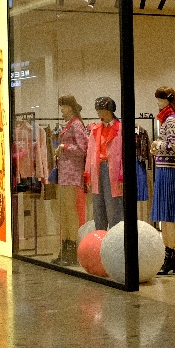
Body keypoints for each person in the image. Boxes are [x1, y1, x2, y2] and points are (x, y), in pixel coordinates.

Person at [150, 86, 175, 276]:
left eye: (160, 99)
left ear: (168, 100)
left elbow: (174, 145)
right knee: (166, 217)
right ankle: (170, 258)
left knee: (168, 216)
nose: (158, 103)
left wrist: (158, 144)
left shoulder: (171, 120)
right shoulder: (169, 119)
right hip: (166, 169)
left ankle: (171, 257)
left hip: (169, 171)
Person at [52, 95, 88, 266]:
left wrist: (64, 147)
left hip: (72, 172)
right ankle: (66, 246)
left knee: (70, 209)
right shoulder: (70, 125)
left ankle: (71, 247)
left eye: (64, 107)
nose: (62, 110)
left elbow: (83, 148)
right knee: (65, 210)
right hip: (65, 172)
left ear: (70, 107)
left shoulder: (76, 124)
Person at [84, 97, 124, 233]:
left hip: (112, 170)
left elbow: (124, 154)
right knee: (98, 206)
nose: (98, 113)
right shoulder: (95, 129)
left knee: (114, 206)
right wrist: (88, 175)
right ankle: (100, 237)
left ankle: (116, 238)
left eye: (100, 110)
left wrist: (122, 176)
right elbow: (90, 153)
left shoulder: (120, 129)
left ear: (109, 111)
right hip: (97, 169)